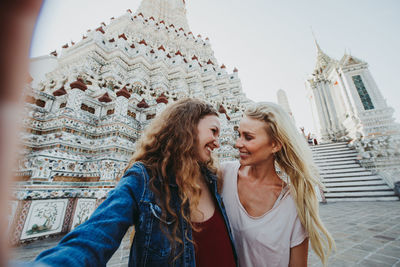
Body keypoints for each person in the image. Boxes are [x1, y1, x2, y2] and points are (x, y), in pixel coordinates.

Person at [28, 98, 237, 267]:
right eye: (213, 131)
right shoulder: (145, 179)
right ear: (187, 127)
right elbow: (96, 234)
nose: (218, 142)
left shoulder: (213, 178)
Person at [221, 102, 334, 267]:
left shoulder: (292, 203)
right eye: (239, 134)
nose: (238, 143)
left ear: (275, 145)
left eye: (248, 137)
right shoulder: (223, 175)